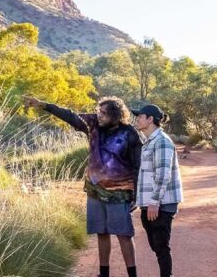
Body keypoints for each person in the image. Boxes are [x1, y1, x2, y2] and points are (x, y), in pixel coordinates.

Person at [23, 95, 143, 277]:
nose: (99, 115)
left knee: (124, 235)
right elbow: (69, 115)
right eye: (98, 111)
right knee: (101, 232)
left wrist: (136, 194)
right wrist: (44, 105)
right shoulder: (93, 124)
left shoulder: (130, 133)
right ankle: (104, 273)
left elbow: (138, 165)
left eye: (103, 113)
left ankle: (132, 274)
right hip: (94, 190)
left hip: (119, 192)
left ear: (115, 114)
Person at [132, 104, 183, 277]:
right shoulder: (149, 142)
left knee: (161, 246)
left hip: (162, 203)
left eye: (140, 116)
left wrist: (154, 202)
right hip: (150, 203)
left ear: (150, 119)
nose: (137, 119)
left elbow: (163, 174)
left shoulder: (162, 141)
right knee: (156, 245)